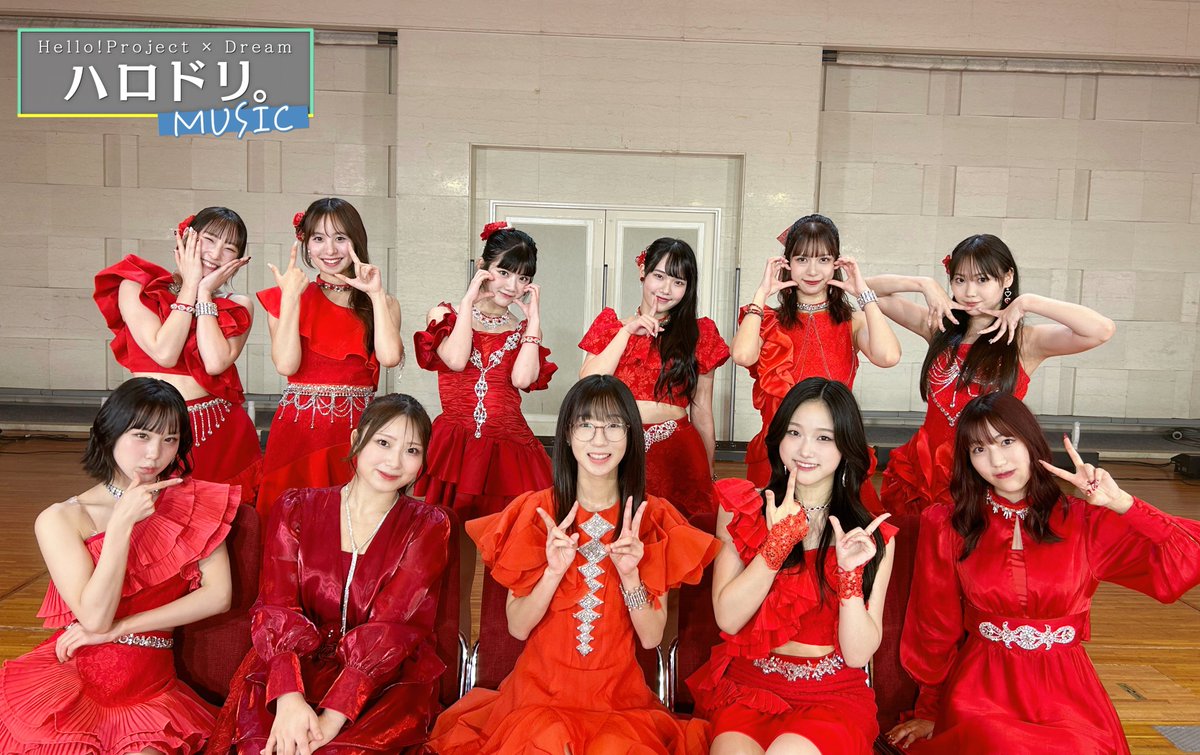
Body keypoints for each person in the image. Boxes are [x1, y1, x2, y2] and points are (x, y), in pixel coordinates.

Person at [888, 392, 1200, 753]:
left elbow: (1187, 558)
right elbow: (933, 625)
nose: (996, 460)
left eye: (1007, 441)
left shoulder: (1085, 520)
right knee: (1001, 744)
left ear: (1031, 441)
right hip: (982, 691)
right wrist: (930, 710)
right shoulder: (948, 525)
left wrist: (1122, 503)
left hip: (1068, 694)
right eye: (979, 449)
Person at [428, 375, 719, 754]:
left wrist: (631, 576)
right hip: (538, 698)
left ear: (631, 435)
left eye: (613, 426)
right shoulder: (536, 512)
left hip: (618, 702)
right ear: (567, 434)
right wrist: (552, 572)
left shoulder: (651, 519)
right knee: (548, 741)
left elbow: (651, 638)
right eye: (586, 425)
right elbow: (518, 626)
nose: (599, 440)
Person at [0, 377, 239, 754]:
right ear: (110, 432)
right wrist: (121, 524)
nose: (154, 453)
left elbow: (219, 596)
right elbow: (94, 618)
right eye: (141, 435)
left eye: (170, 439)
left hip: (150, 690)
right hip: (76, 678)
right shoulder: (61, 519)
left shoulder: (197, 503)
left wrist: (122, 628)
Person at [213, 393, 450, 755]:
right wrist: (289, 700)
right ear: (357, 439)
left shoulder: (428, 525)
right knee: (266, 746)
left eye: (412, 450)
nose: (394, 461)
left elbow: (391, 626)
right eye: (383, 442)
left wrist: (329, 722)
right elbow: (277, 606)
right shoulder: (296, 507)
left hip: (384, 679)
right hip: (291, 667)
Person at [688, 377, 896, 754]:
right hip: (750, 688)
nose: (805, 449)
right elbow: (728, 619)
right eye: (794, 432)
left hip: (831, 697)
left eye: (824, 437)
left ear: (846, 446)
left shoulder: (870, 535)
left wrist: (849, 577)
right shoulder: (741, 508)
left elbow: (857, 655)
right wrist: (778, 545)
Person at [864, 234, 1115, 515]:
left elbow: (1101, 330)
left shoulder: (1025, 341)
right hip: (926, 470)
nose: (970, 292)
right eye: (960, 280)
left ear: (1007, 278)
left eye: (982, 279)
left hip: (988, 471)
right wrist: (923, 284)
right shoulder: (938, 326)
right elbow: (864, 288)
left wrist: (1028, 302)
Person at [94, 207, 261, 503]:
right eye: (209, 240)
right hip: (149, 426)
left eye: (229, 248)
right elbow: (165, 352)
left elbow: (215, 363)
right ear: (185, 238)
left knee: (217, 522)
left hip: (215, 429)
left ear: (237, 260)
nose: (215, 253)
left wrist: (204, 294)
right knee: (146, 513)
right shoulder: (137, 285)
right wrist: (190, 286)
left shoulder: (238, 304)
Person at [730, 214, 901, 502]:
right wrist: (761, 293)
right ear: (787, 263)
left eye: (823, 259)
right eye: (801, 259)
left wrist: (863, 294)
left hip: (833, 451)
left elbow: (888, 356)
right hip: (778, 449)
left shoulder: (852, 321)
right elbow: (742, 354)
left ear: (836, 264)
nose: (812, 270)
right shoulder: (767, 320)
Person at [256, 198, 404, 518]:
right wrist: (291, 299)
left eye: (340, 238)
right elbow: (286, 365)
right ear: (306, 244)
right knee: (291, 523)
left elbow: (390, 357)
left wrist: (375, 294)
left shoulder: (383, 301)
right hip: (298, 431)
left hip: (355, 432)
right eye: (319, 239)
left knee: (350, 522)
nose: (330, 249)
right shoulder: (285, 297)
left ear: (356, 241)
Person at [579, 237, 730, 518]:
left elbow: (702, 411)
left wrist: (708, 470)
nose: (666, 289)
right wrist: (626, 333)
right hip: (618, 447)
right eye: (659, 276)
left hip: (677, 451)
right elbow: (588, 383)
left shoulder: (700, 333)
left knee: (678, 532)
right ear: (642, 271)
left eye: (678, 282)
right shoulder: (611, 325)